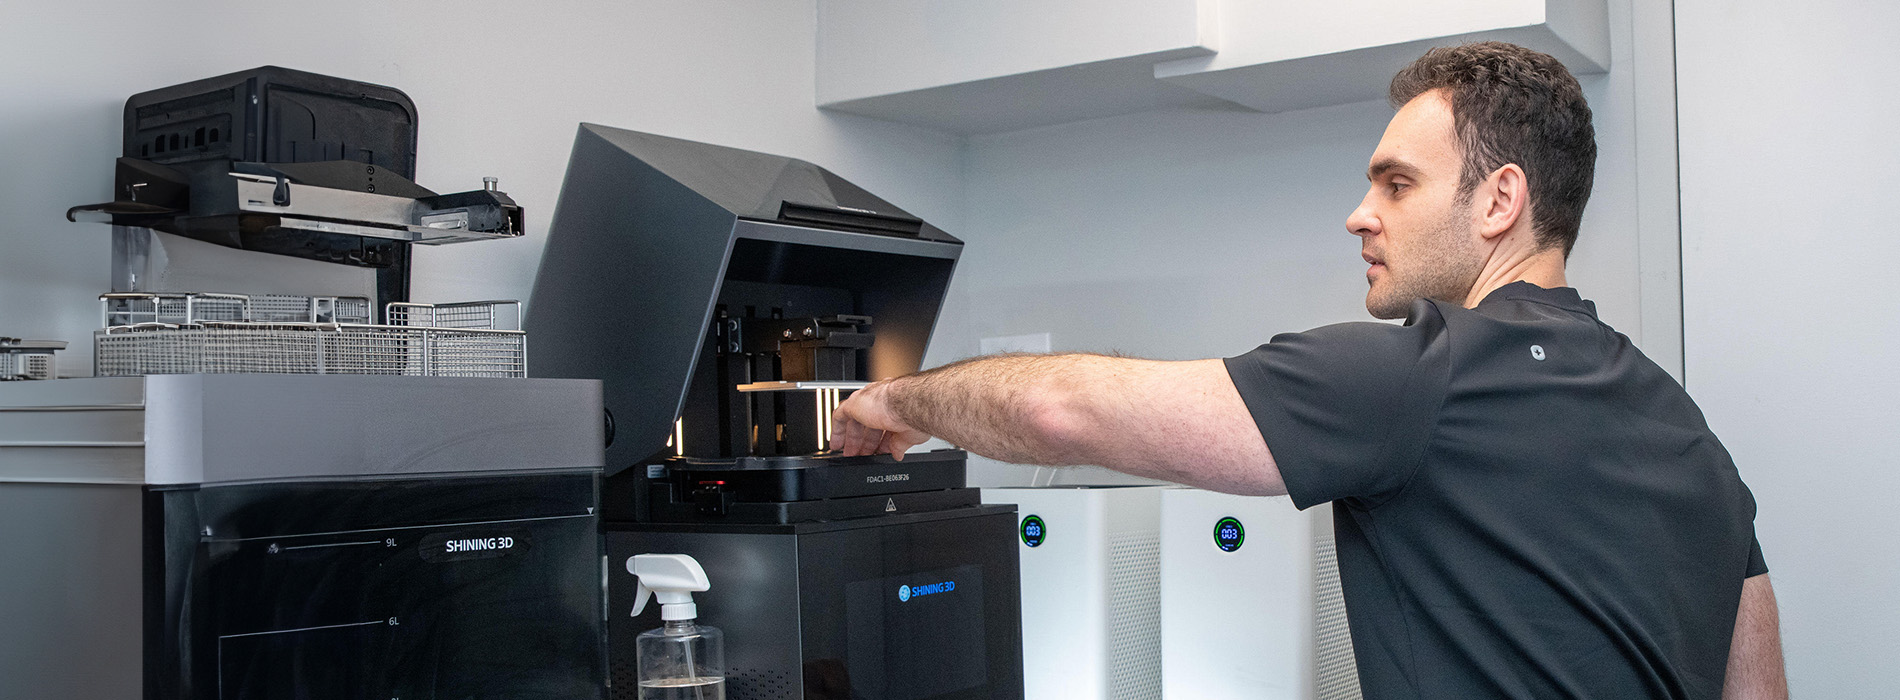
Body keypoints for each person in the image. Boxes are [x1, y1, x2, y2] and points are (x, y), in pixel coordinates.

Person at [828, 42, 1787, 699]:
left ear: (1501, 200)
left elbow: (1060, 413)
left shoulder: (1424, 376)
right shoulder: (1692, 438)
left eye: (1396, 182)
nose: (1359, 213)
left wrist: (896, 399)